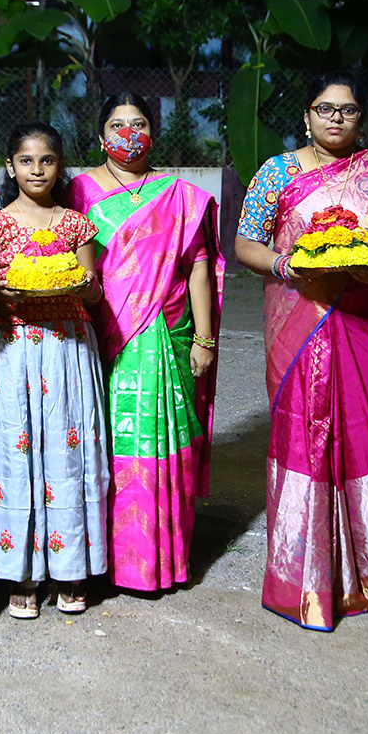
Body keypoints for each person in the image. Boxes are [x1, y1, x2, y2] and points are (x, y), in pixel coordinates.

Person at [235, 72, 368, 629]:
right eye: (325, 109)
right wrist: (284, 264)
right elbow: (247, 242)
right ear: (307, 116)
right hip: (301, 323)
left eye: (347, 110)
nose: (336, 118)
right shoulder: (277, 172)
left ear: (360, 117)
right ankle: (302, 573)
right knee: (305, 436)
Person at [68, 91, 223, 593]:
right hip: (105, 330)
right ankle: (108, 559)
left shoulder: (177, 195)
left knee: (164, 438)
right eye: (118, 125)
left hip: (167, 329)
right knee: (108, 442)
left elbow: (198, 268)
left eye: (138, 124)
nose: (128, 134)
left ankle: (162, 558)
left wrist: (204, 339)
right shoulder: (80, 190)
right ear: (100, 136)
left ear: (153, 133)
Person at [0, 122, 108, 618]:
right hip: (12, 345)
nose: (36, 169)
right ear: (11, 167)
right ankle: (20, 573)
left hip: (66, 347)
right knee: (15, 448)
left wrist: (84, 285)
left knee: (65, 449)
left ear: (59, 166)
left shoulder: (75, 223)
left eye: (46, 160)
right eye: (26, 161)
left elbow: (92, 287)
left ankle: (71, 567)